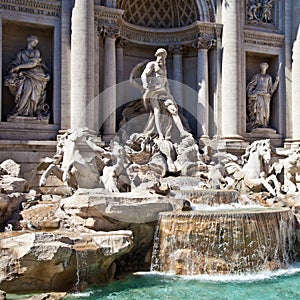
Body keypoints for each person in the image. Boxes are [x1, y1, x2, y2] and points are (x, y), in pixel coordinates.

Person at [140, 48, 190, 140]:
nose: (161, 58)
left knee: (174, 110)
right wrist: (145, 83)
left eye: (163, 56)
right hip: (153, 91)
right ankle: (160, 134)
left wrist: (170, 96)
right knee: (157, 112)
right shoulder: (152, 64)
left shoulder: (164, 68)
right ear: (156, 56)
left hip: (164, 93)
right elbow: (144, 75)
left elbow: (166, 83)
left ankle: (182, 132)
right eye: (160, 55)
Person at [4, 35, 50, 118]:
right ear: (29, 41)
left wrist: (18, 67)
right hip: (25, 76)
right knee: (26, 91)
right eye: (34, 42)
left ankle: (30, 112)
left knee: (34, 95)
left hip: (37, 75)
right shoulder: (21, 53)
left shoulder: (36, 52)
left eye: (36, 43)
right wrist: (12, 69)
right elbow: (15, 63)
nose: (35, 44)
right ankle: (20, 110)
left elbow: (33, 63)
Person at [246, 62, 279, 130]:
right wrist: (253, 93)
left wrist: (276, 81)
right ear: (260, 68)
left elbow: (271, 89)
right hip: (258, 96)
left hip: (266, 97)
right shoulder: (257, 76)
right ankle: (258, 123)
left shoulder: (268, 77)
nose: (264, 68)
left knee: (266, 112)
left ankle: (265, 124)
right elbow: (251, 86)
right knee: (259, 110)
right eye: (263, 67)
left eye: (265, 67)